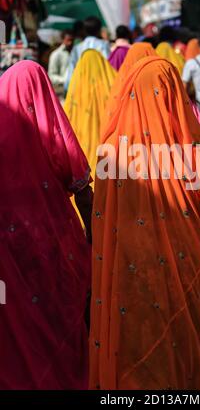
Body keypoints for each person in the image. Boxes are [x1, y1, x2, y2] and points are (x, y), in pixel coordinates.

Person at [89, 55, 200, 390]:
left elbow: (101, 217)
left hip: (128, 269)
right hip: (183, 269)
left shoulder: (109, 151)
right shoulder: (191, 149)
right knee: (184, 338)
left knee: (136, 338)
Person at [0, 61, 93, 389]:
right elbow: (79, 179)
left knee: (18, 319)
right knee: (58, 315)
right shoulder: (45, 122)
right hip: (52, 242)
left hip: (9, 252)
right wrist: (93, 237)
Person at [64, 49, 116, 183]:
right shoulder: (112, 83)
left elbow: (68, 115)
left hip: (82, 143)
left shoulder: (76, 88)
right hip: (110, 148)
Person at [65, 16, 111, 90]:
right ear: (99, 30)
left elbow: (71, 69)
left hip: (82, 87)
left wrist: (67, 88)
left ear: (84, 30)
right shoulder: (103, 45)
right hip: (100, 87)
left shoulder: (77, 48)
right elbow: (108, 64)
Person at [48, 29, 74, 98]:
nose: (70, 43)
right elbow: (51, 75)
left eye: (72, 40)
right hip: (62, 93)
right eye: (68, 40)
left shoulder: (76, 53)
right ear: (63, 40)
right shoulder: (56, 54)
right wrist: (65, 80)